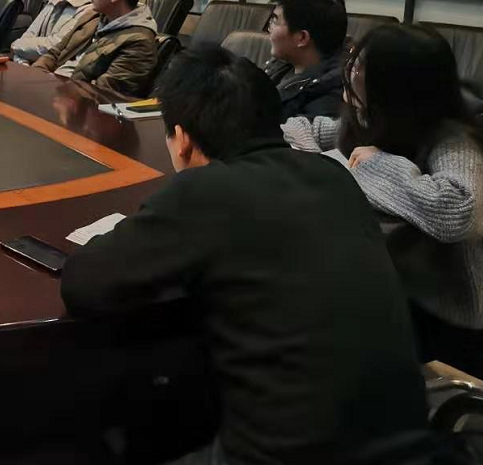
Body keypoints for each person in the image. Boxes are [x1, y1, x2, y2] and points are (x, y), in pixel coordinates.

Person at [62, 45, 427, 465]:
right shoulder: (333, 176)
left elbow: (84, 284)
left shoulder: (205, 191)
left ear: (182, 140)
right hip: (408, 449)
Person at [283, 24, 483, 376]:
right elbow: (296, 128)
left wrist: (377, 164)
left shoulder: (452, 141)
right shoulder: (370, 121)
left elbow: (459, 212)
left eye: (361, 67)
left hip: (440, 321)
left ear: (397, 86)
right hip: (383, 291)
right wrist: (325, 167)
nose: (350, 72)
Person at [33, 0, 157, 100]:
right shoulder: (93, 15)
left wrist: (55, 92)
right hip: (52, 92)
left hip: (75, 105)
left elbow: (102, 92)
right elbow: (54, 53)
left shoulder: (139, 43)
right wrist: (36, 79)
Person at [265, 0, 348, 120]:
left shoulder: (329, 95)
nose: (269, 28)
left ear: (302, 38)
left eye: (275, 21)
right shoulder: (280, 66)